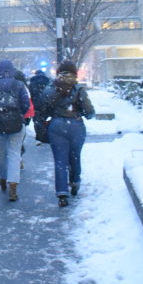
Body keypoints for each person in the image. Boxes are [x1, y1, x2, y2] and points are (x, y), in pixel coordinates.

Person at [36, 60, 95, 207]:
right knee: (75, 155)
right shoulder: (78, 89)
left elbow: (41, 106)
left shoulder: (51, 88)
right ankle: (75, 181)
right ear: (74, 73)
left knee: (60, 161)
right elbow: (89, 112)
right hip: (76, 125)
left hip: (57, 126)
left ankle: (62, 193)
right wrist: (84, 112)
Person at [0, 60, 31, 202]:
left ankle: (3, 178)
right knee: (14, 154)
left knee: (1, 154)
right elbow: (25, 104)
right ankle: (13, 185)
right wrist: (18, 115)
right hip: (16, 125)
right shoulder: (19, 85)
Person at [28, 70, 51, 144]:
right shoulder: (48, 82)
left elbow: (29, 96)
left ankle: (39, 137)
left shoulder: (32, 83)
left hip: (36, 106)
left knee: (37, 121)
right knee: (45, 120)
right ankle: (46, 136)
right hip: (46, 105)